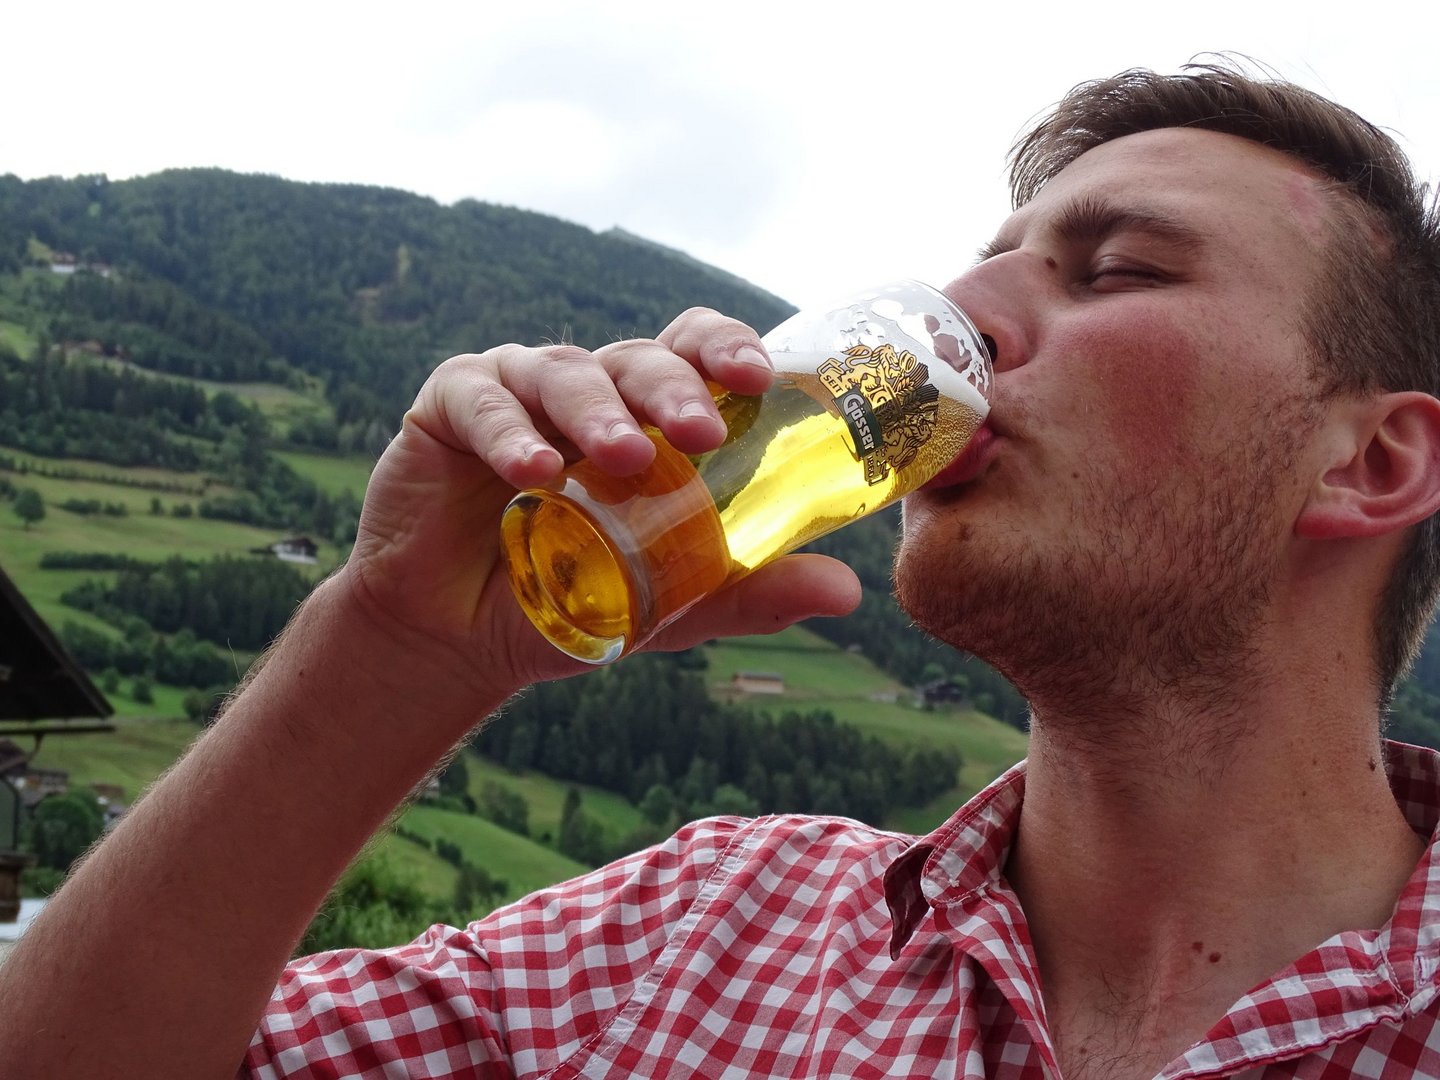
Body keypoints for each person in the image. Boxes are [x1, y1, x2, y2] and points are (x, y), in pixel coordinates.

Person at [3, 60, 1440, 1079]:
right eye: (977, 268)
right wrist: (393, 646)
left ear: (1372, 462)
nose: (962, 318)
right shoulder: (698, 937)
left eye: (1118, 269)